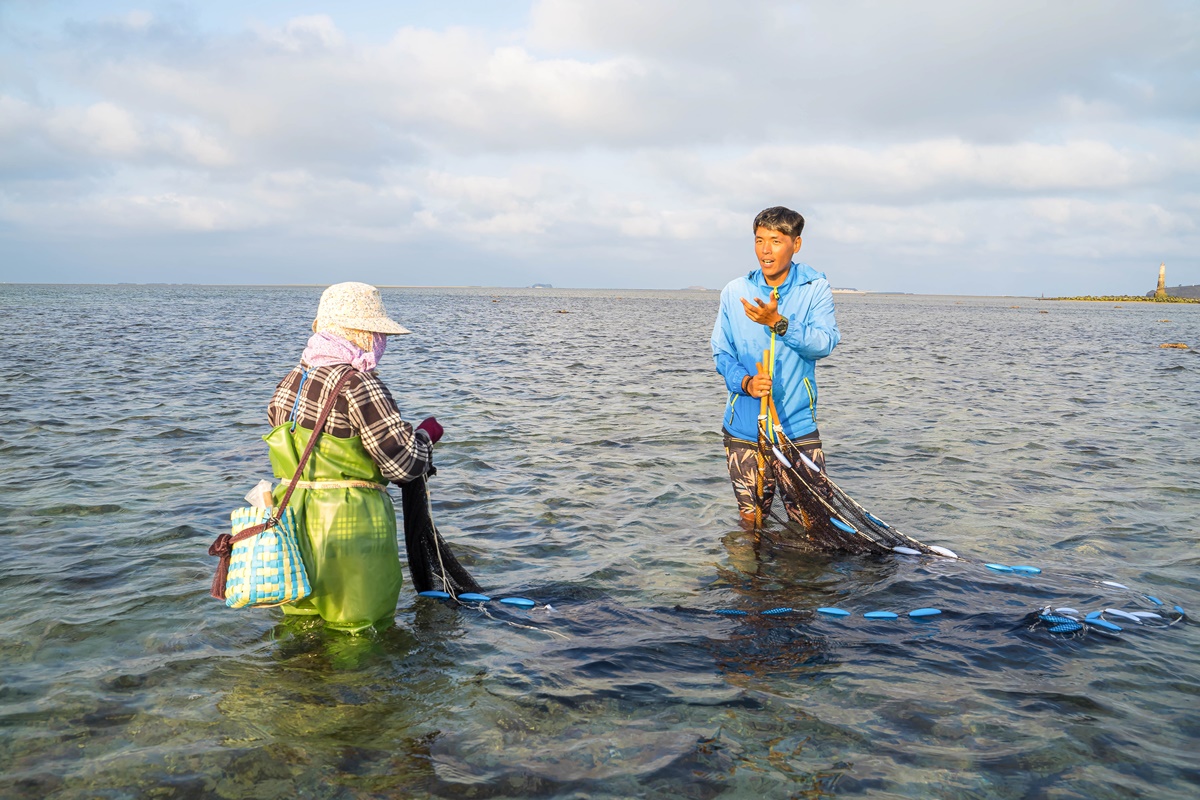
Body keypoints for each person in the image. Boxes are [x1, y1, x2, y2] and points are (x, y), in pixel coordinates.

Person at [265, 282, 442, 632]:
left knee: (302, 620)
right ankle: (359, 686)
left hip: (291, 517)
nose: (380, 341)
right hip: (351, 522)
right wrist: (426, 436)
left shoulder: (291, 381)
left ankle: (295, 683)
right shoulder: (358, 383)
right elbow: (401, 464)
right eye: (375, 333)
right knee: (359, 628)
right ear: (359, 334)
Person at [711, 206, 841, 528]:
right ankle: (749, 578)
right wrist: (745, 383)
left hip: (797, 429)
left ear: (795, 244)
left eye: (775, 240)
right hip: (744, 428)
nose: (765, 250)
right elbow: (721, 352)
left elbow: (824, 343)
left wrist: (779, 324)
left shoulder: (815, 289)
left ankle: (804, 579)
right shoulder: (735, 292)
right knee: (751, 521)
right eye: (759, 240)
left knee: (812, 523)